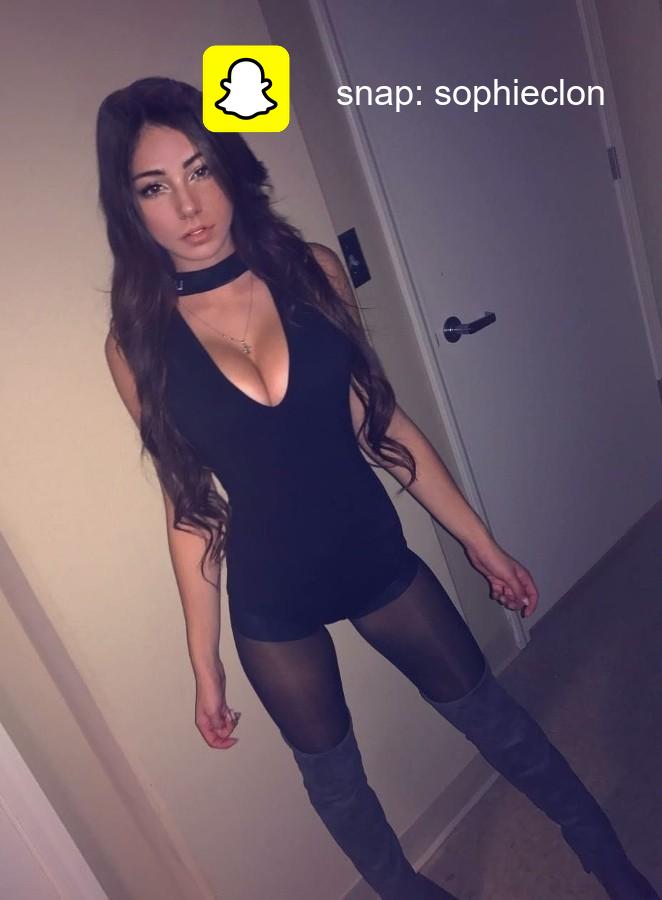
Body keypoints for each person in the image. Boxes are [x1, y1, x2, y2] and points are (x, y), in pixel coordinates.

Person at [98, 77, 658, 900]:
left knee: (498, 723)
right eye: (155, 187)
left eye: (199, 170)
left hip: (373, 556)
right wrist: (204, 663)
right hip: (272, 597)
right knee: (339, 789)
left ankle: (610, 862)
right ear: (130, 206)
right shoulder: (136, 343)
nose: (187, 205)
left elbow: (383, 423)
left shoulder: (311, 272)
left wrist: (480, 541)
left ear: (227, 167)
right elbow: (190, 506)